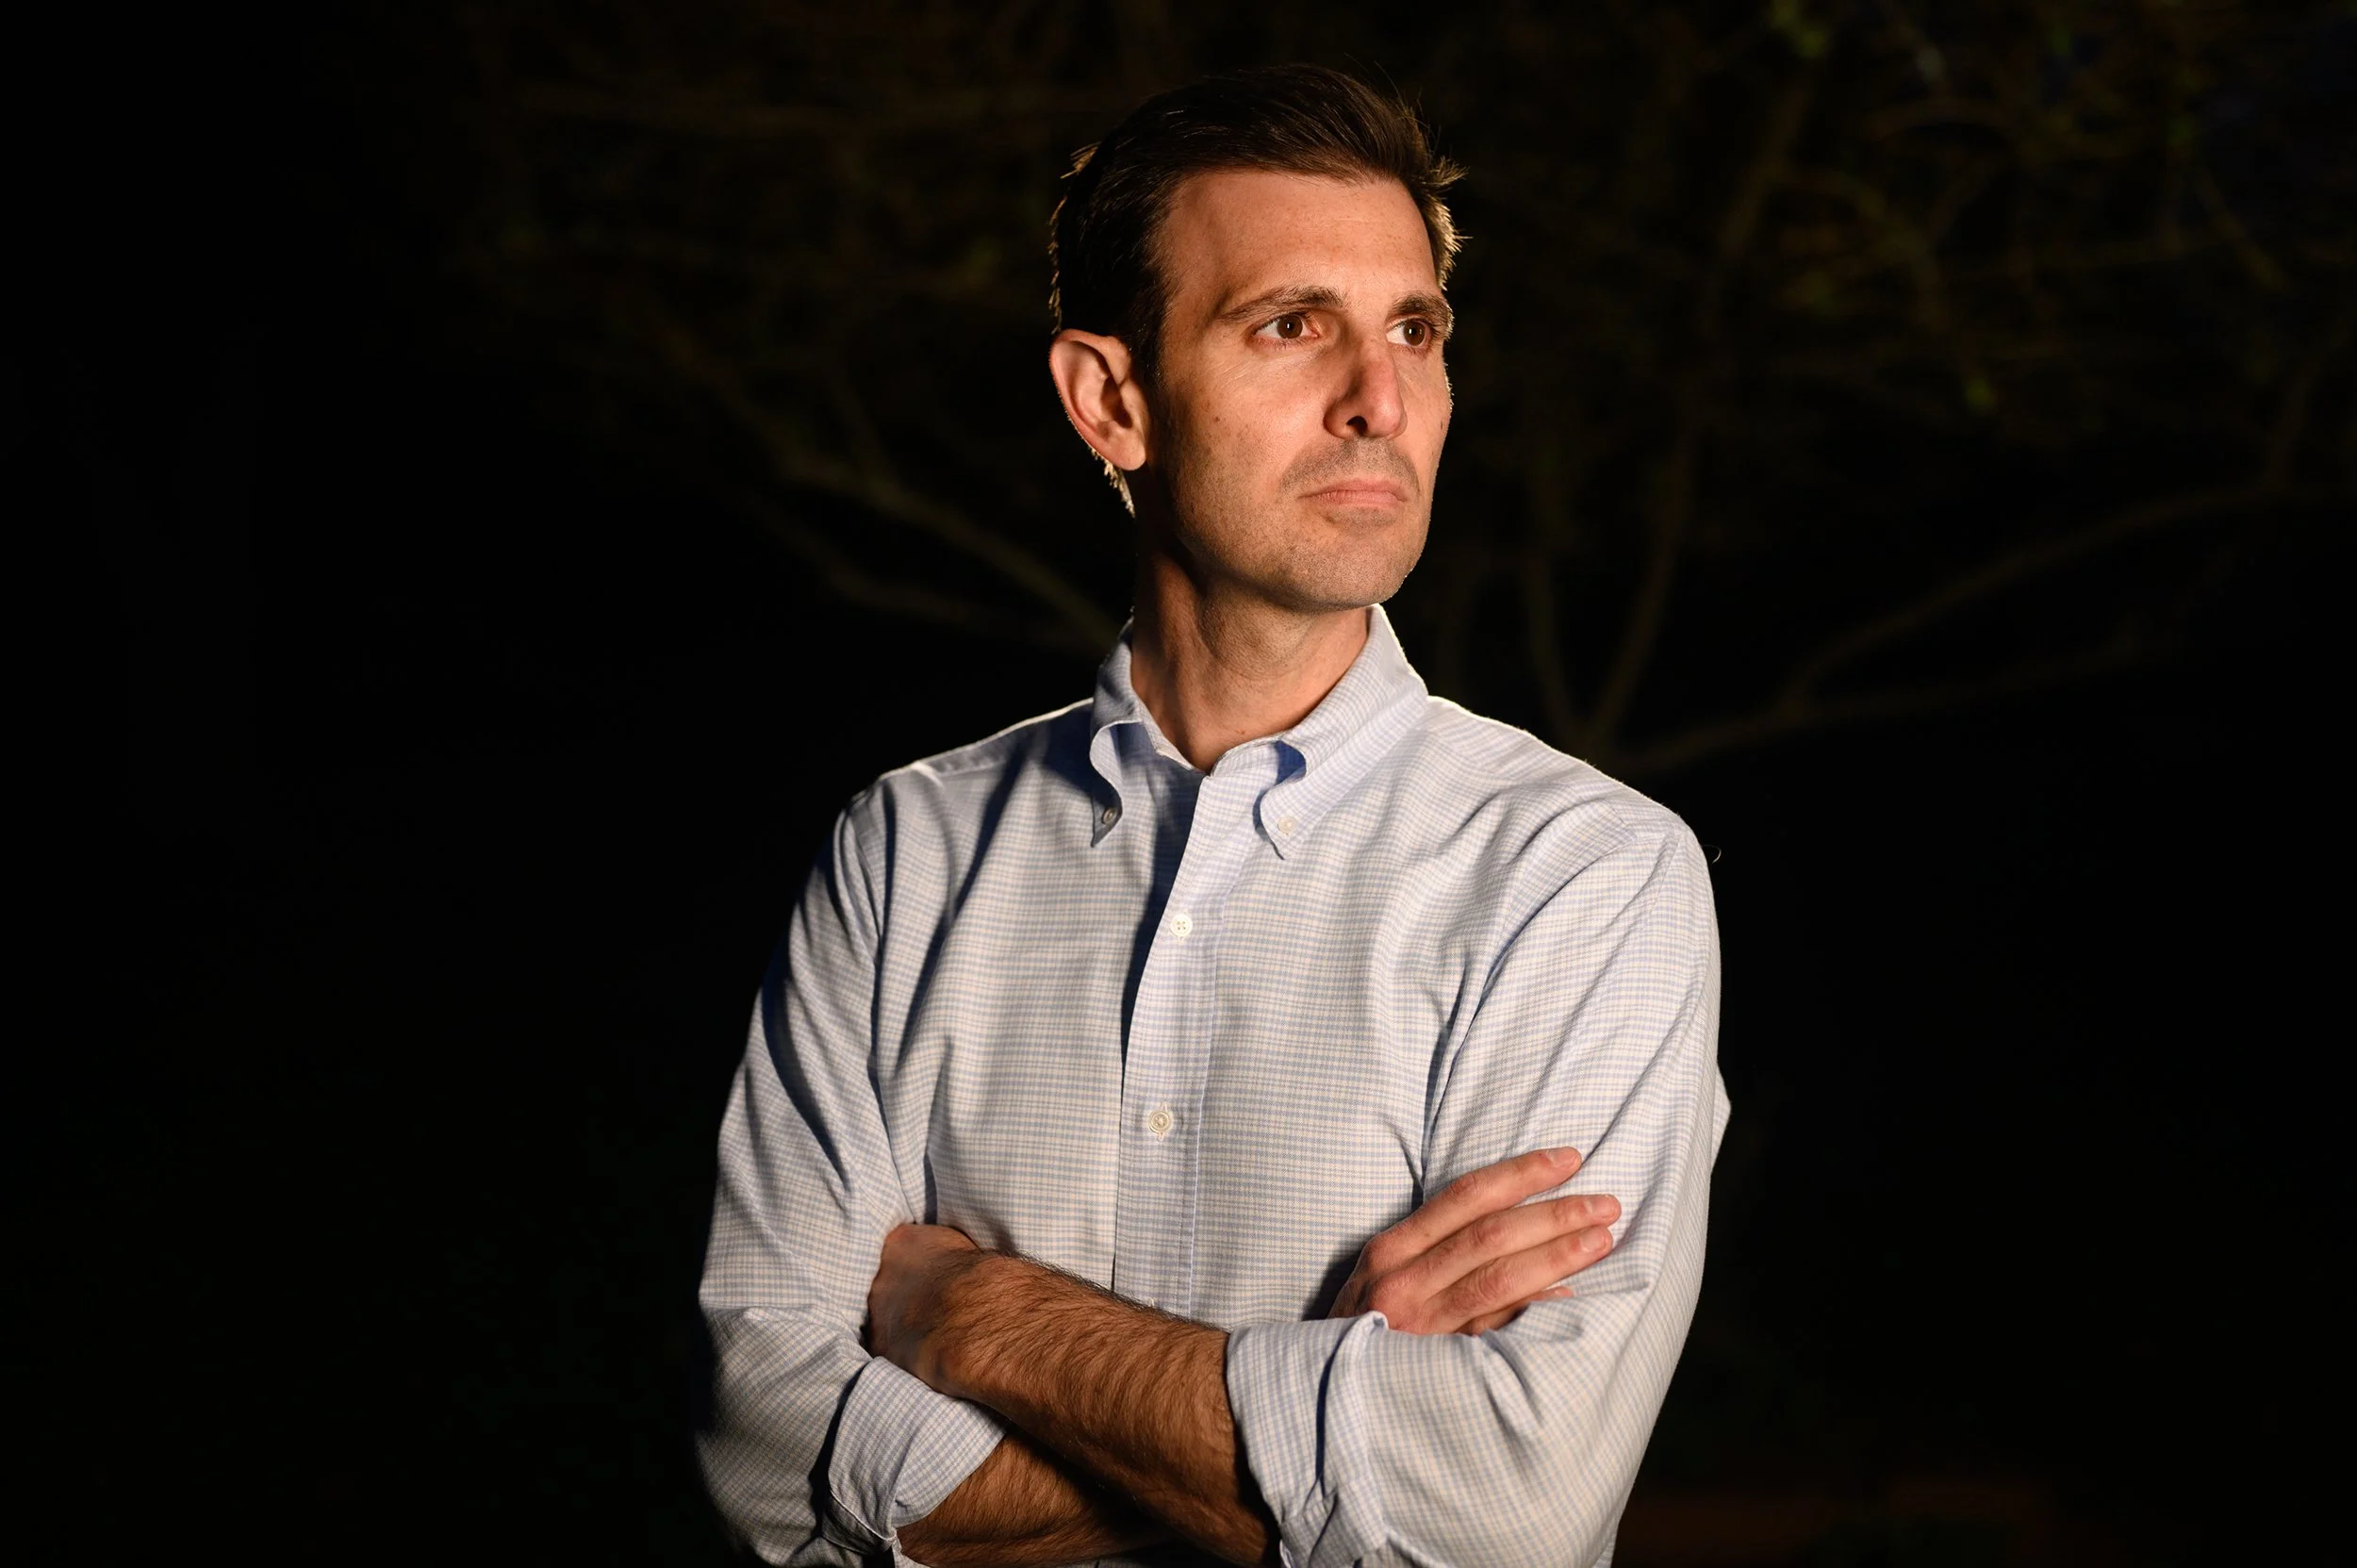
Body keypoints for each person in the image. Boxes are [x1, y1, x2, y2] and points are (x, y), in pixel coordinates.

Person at [697, 65, 1728, 1568]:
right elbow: (756, 1447)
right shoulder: (906, 852)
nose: (1379, 397)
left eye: (1415, 330)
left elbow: (1505, 1510)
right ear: (1111, 401)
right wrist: (1321, 1418)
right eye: (1292, 325)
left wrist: (971, 1316)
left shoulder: (1584, 875)